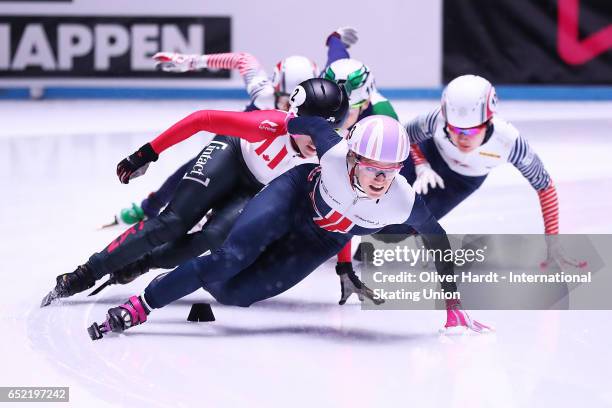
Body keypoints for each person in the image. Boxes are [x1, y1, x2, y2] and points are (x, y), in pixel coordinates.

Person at [86, 83, 491, 340]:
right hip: (294, 195)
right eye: (371, 168)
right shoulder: (331, 149)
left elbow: (437, 242)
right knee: (229, 258)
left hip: (322, 237)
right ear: (351, 156)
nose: (379, 180)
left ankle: (196, 280)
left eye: (389, 172)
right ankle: (142, 305)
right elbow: (302, 119)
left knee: (234, 293)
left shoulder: (401, 201)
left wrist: (453, 306)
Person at [40, 78, 350, 307]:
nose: (318, 139)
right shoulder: (269, 125)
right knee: (171, 223)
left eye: (329, 132)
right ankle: (84, 273)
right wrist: (147, 152)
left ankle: (140, 264)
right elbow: (203, 119)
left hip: (258, 188)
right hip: (232, 155)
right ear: (294, 118)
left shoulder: (330, 157)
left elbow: (348, 209)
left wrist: (344, 262)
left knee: (214, 238)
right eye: (310, 129)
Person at [354, 74, 584, 270]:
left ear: (488, 121)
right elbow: (402, 138)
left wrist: (553, 242)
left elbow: (545, 186)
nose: (462, 137)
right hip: (429, 155)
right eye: (454, 129)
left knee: (401, 228)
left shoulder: (510, 143)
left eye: (472, 130)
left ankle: (372, 242)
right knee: (378, 198)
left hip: (463, 181)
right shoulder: (437, 119)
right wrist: (422, 163)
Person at [107, 51, 319, 225]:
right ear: (275, 89)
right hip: (235, 146)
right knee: (193, 170)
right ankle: (151, 206)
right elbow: (243, 59)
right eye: (284, 100)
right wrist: (190, 61)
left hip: (264, 168)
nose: (288, 109)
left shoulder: (317, 107)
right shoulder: (263, 93)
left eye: (300, 105)